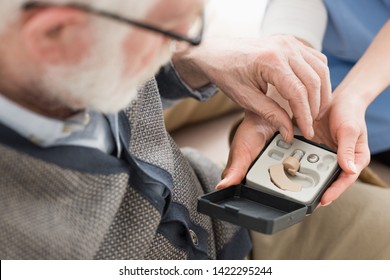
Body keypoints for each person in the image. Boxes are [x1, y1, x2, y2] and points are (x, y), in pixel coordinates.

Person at [0, 0, 333, 259]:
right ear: (52, 36)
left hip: (216, 195)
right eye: (170, 31)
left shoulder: (82, 44)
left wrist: (198, 58)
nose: (179, 40)